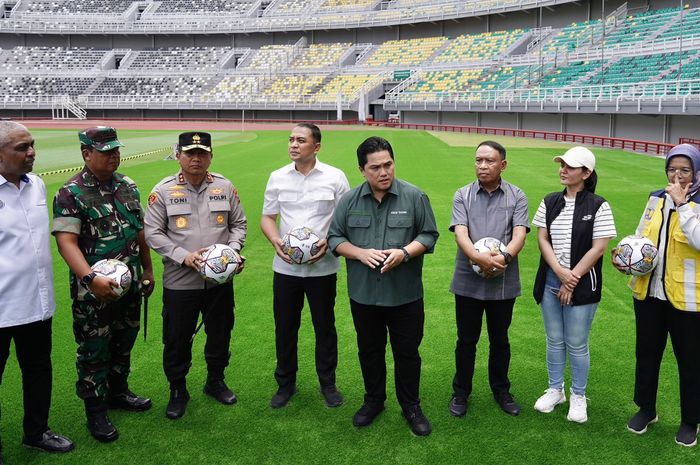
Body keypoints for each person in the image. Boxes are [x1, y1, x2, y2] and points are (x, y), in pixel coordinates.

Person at [327, 136, 439, 436]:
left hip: (405, 295)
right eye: (375, 167)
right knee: (369, 351)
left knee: (407, 353)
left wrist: (404, 253)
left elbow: (429, 235)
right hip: (364, 295)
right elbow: (334, 239)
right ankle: (374, 401)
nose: (383, 172)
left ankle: (411, 405)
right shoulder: (349, 201)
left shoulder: (415, 197)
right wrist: (360, 253)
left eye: (388, 164)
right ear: (362, 169)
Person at [53, 126, 154, 443]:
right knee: (94, 350)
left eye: (116, 150)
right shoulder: (71, 193)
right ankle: (95, 410)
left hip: (129, 284)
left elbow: (139, 231)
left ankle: (118, 391)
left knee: (125, 340)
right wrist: (90, 279)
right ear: (86, 153)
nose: (114, 156)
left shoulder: (127, 185)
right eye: (106, 151)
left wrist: (148, 270)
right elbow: (66, 241)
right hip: (93, 292)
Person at [144, 131, 247, 421]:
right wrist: (183, 256)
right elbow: (152, 232)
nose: (196, 159)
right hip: (180, 282)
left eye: (202, 153)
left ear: (211, 156)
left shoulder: (224, 187)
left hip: (219, 281)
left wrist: (233, 252)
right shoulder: (163, 191)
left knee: (220, 332)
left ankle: (215, 380)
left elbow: (238, 223)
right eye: (190, 153)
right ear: (178, 155)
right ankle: (178, 389)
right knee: (177, 338)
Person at [616, 143, 700, 447]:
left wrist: (683, 205)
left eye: (685, 170)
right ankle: (646, 409)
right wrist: (626, 253)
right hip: (649, 293)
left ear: (696, 172)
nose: (677, 176)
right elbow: (641, 235)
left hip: (689, 300)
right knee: (647, 354)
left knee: (690, 361)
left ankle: (691, 420)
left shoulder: (695, 201)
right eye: (672, 169)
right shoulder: (656, 197)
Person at [260, 123, 350, 409]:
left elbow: (345, 217)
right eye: (290, 140)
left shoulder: (335, 177)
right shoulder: (277, 177)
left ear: (316, 146)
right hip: (285, 269)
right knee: (285, 327)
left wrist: (327, 241)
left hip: (323, 269)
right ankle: (285, 384)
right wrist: (276, 241)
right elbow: (267, 217)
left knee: (325, 327)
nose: (293, 145)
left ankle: (328, 383)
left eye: (301, 140)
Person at [0, 122, 74, 460]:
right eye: (21, 147)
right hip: (1, 306)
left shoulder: (38, 186)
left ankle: (37, 431)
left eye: (32, 145)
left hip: (37, 301)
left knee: (39, 370)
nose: (31, 153)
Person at [532, 146, 616, 423]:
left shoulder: (598, 205)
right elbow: (542, 238)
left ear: (586, 173)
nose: (563, 169)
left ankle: (578, 395)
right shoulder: (550, 201)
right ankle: (556, 389)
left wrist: (572, 279)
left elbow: (599, 248)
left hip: (582, 282)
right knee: (554, 339)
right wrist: (559, 272)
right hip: (551, 279)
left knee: (577, 343)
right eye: (562, 165)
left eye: (570, 166)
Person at [447, 140, 529, 419]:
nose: (482, 166)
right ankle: (461, 392)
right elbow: (460, 232)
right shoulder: (463, 194)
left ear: (502, 165)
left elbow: (519, 233)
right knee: (466, 340)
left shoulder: (517, 195)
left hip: (503, 281)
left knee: (500, 340)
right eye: (478, 160)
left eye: (489, 161)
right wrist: (477, 257)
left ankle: (501, 390)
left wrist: (503, 258)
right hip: (467, 282)